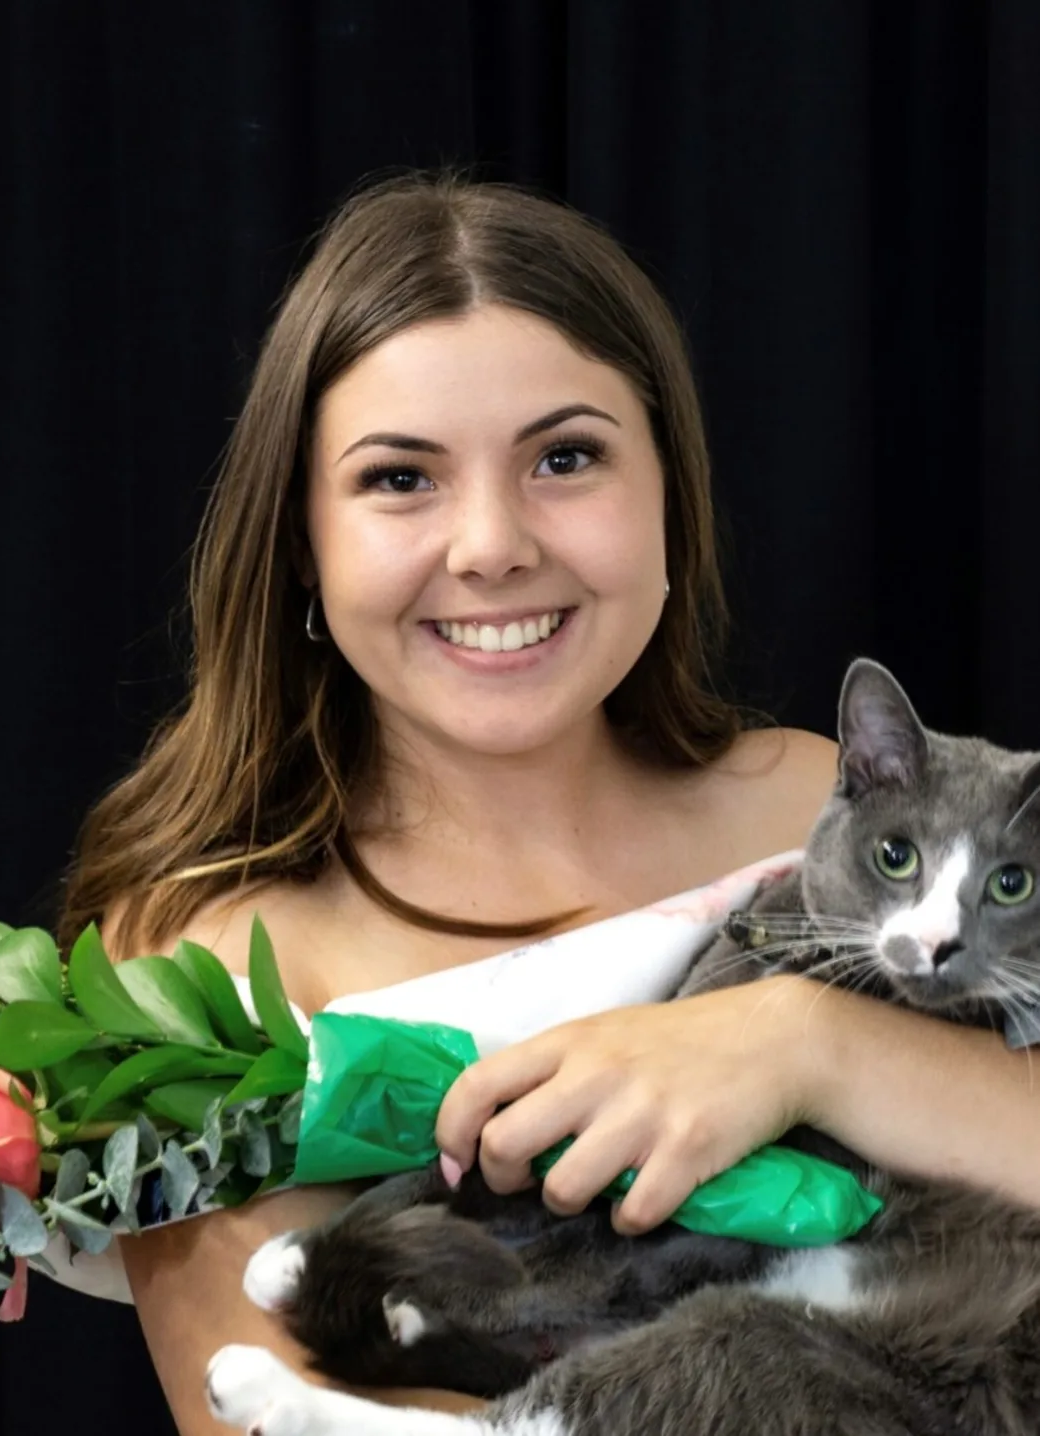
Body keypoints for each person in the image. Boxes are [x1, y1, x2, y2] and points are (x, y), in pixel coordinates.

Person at [62, 172, 1040, 1436]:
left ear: (670, 496)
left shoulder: (831, 813)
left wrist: (808, 1043)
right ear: (302, 537)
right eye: (400, 479)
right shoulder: (200, 959)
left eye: (564, 457)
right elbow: (268, 1409)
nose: (491, 545)